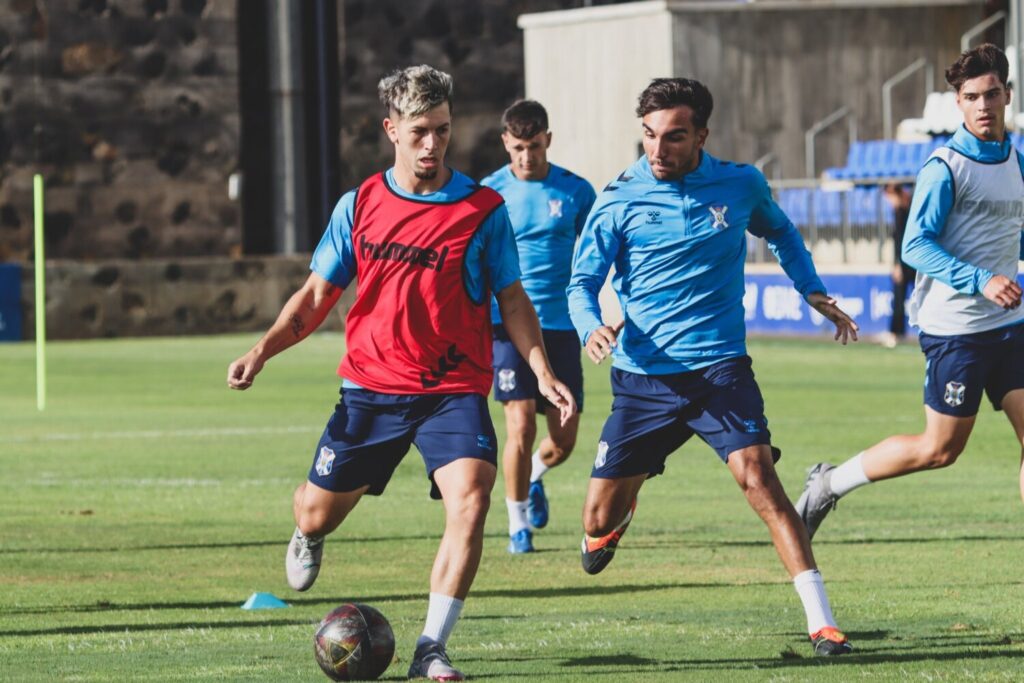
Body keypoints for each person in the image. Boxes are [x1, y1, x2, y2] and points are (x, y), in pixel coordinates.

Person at [227, 65, 576, 682]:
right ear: (391, 129)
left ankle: (431, 649)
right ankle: (308, 533)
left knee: (471, 500)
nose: (431, 144)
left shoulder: (482, 209)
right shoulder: (359, 205)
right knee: (316, 513)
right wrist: (261, 351)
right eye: (418, 131)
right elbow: (314, 298)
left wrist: (541, 369)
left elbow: (514, 301)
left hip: (452, 391)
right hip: (371, 391)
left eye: (441, 130)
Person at [566, 77, 860, 656]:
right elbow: (580, 283)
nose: (658, 149)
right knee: (596, 523)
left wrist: (812, 290)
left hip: (720, 371)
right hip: (643, 379)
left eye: (674, 137)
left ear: (702, 134)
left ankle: (823, 624)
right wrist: (590, 327)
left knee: (760, 481)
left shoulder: (740, 183)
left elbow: (779, 229)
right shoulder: (618, 198)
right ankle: (622, 508)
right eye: (649, 136)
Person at [796, 44, 1024, 539]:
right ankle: (829, 484)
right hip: (956, 331)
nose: (982, 105)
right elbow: (916, 247)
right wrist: (981, 278)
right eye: (971, 97)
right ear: (958, 103)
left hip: (1009, 327)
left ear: (1007, 94)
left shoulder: (1017, 161)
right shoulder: (945, 167)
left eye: (991, 94)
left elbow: (1014, 232)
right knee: (939, 450)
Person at [480, 100, 596, 553]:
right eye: (518, 148)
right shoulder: (489, 193)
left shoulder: (576, 191)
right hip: (506, 325)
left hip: (562, 327)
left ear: (548, 138)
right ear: (506, 144)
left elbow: (598, 252)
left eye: (534, 145)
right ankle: (517, 526)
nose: (526, 156)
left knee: (562, 441)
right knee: (520, 427)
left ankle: (533, 477)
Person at [880, 183, 916, 348]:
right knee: (901, 299)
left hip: (908, 264)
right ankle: (896, 332)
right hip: (910, 262)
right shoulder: (902, 212)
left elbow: (901, 242)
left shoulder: (903, 213)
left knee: (901, 299)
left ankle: (896, 333)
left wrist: (898, 265)